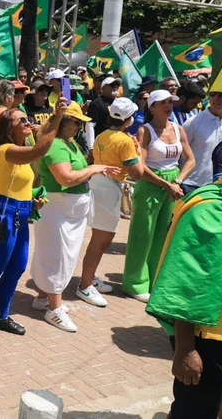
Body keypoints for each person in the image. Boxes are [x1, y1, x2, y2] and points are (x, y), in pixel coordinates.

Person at [144, 143, 222, 419]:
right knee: (196, 410)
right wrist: (185, 349)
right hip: (208, 337)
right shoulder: (206, 208)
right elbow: (181, 281)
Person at [31, 103, 119, 332]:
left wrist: (94, 164)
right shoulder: (55, 145)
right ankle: (54, 309)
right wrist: (94, 168)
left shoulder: (69, 142)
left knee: (54, 255)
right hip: (58, 210)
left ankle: (43, 298)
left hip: (67, 211)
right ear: (63, 122)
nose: (79, 127)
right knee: (57, 258)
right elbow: (66, 178)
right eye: (76, 122)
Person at [0, 99, 65, 335]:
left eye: (27, 118)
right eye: (21, 120)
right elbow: (39, 150)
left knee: (17, 266)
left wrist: (33, 200)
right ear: (8, 127)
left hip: (21, 213)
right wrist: (57, 117)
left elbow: (22, 183)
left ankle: (1, 315)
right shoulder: (5, 150)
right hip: (4, 213)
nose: (27, 122)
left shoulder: (20, 152)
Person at [123, 89, 196, 302]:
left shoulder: (178, 128)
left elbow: (190, 160)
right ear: (152, 107)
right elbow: (141, 166)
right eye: (163, 102)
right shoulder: (145, 131)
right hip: (151, 183)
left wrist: (177, 181)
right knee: (142, 234)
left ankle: (155, 280)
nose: (168, 106)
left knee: (163, 235)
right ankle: (135, 284)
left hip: (172, 184)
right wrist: (166, 184)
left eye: (170, 102)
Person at [80, 97, 146, 307]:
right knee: (100, 241)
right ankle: (85, 285)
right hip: (108, 188)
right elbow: (138, 174)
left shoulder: (103, 135)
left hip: (100, 184)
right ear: (128, 119)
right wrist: (139, 151)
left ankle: (89, 278)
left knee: (101, 239)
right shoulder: (125, 141)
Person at [181, 89, 222, 194]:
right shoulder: (193, 122)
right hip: (192, 185)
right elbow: (180, 155)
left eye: (221, 94)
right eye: (212, 94)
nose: (216, 98)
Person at [86, 77, 119, 143]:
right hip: (102, 143)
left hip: (117, 141)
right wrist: (91, 146)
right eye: (112, 85)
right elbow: (90, 125)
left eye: (117, 85)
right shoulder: (96, 103)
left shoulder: (119, 102)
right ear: (103, 88)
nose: (115, 87)